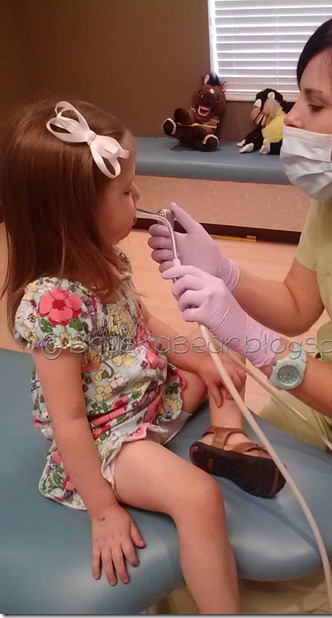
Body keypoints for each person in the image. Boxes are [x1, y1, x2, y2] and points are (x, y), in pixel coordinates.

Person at [148, 0, 332, 613]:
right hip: (325, 409)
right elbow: (295, 304)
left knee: (235, 588)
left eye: (314, 104)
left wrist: (254, 342)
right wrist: (226, 272)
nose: (292, 119)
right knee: (190, 541)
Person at [0, 99, 286, 614]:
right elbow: (69, 422)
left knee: (224, 352)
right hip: (110, 438)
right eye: (127, 191)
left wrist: (201, 360)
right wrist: (103, 511)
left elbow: (147, 323)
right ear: (76, 213)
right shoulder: (53, 305)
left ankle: (225, 439)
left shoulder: (108, 259)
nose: (138, 198)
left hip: (147, 394)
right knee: (199, 499)